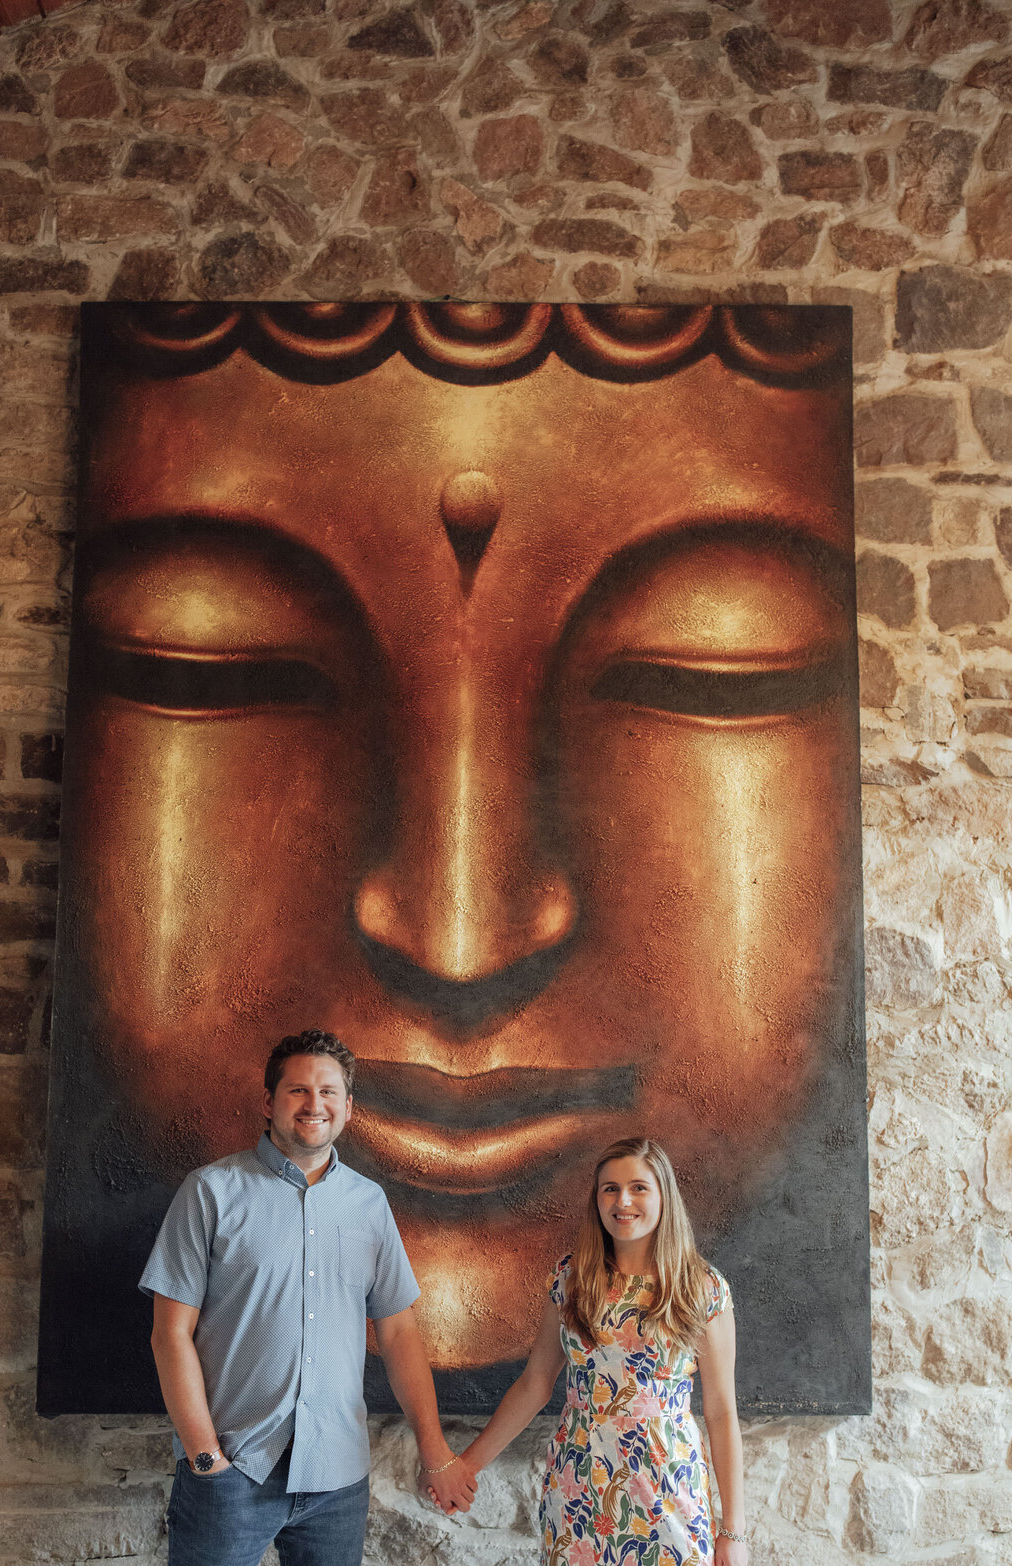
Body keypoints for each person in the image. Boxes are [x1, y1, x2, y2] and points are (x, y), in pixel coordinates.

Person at [48, 300, 866, 1407]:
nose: (461, 939)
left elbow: (686, 1408)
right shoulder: (221, 1208)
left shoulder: (691, 1297)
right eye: (211, 663)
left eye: (712, 670)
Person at [135, 1028, 475, 1566]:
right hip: (232, 1473)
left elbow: (398, 1333)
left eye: (328, 1092)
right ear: (270, 1102)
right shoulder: (211, 1192)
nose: (312, 1104)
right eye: (297, 1089)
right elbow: (170, 1335)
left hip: (334, 1482)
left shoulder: (368, 1205)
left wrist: (435, 1451)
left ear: (348, 1109)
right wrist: (203, 1456)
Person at [446, 1137, 758, 1566]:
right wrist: (464, 1465)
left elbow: (724, 1414)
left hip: (670, 1506)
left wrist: (734, 1530)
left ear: (662, 1195)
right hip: (584, 1505)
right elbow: (534, 1385)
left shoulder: (701, 1289)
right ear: (597, 1199)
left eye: (638, 1187)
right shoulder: (572, 1280)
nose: (623, 1201)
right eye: (610, 1189)